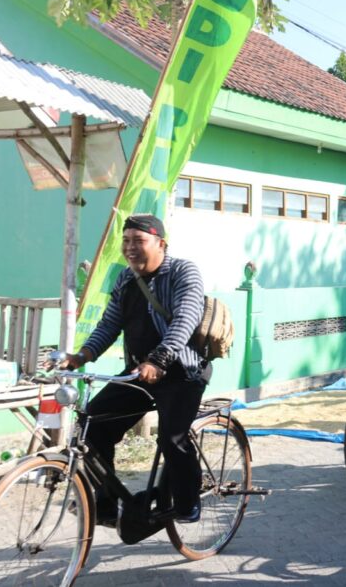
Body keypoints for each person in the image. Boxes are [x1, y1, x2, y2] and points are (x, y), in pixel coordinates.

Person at [59, 214, 207, 524]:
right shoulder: (126, 278)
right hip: (140, 373)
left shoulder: (183, 272)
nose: (130, 247)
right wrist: (82, 355)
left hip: (181, 372)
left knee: (172, 438)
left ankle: (188, 501)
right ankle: (106, 504)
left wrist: (159, 360)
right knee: (93, 423)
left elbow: (184, 320)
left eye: (138, 241)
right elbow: (110, 323)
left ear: (160, 244)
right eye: (126, 241)